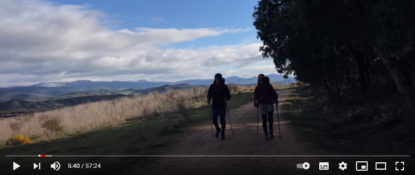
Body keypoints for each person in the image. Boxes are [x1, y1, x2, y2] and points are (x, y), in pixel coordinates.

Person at [253, 74, 279, 140]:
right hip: (261, 104)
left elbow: (274, 94)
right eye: (259, 80)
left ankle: (271, 132)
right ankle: (266, 134)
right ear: (258, 80)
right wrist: (256, 101)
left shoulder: (269, 86)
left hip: (269, 103)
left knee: (270, 119)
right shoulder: (257, 88)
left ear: (264, 80)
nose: (261, 81)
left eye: (262, 80)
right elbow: (255, 97)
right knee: (264, 120)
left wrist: (275, 101)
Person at [207, 73, 232, 140]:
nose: (217, 80)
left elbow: (229, 95)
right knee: (214, 120)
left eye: (218, 78)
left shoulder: (224, 86)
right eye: (216, 78)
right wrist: (208, 99)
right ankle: (218, 129)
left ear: (221, 79)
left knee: (222, 119)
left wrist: (226, 98)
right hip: (214, 105)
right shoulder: (212, 86)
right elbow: (209, 94)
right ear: (215, 79)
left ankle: (223, 133)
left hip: (222, 105)